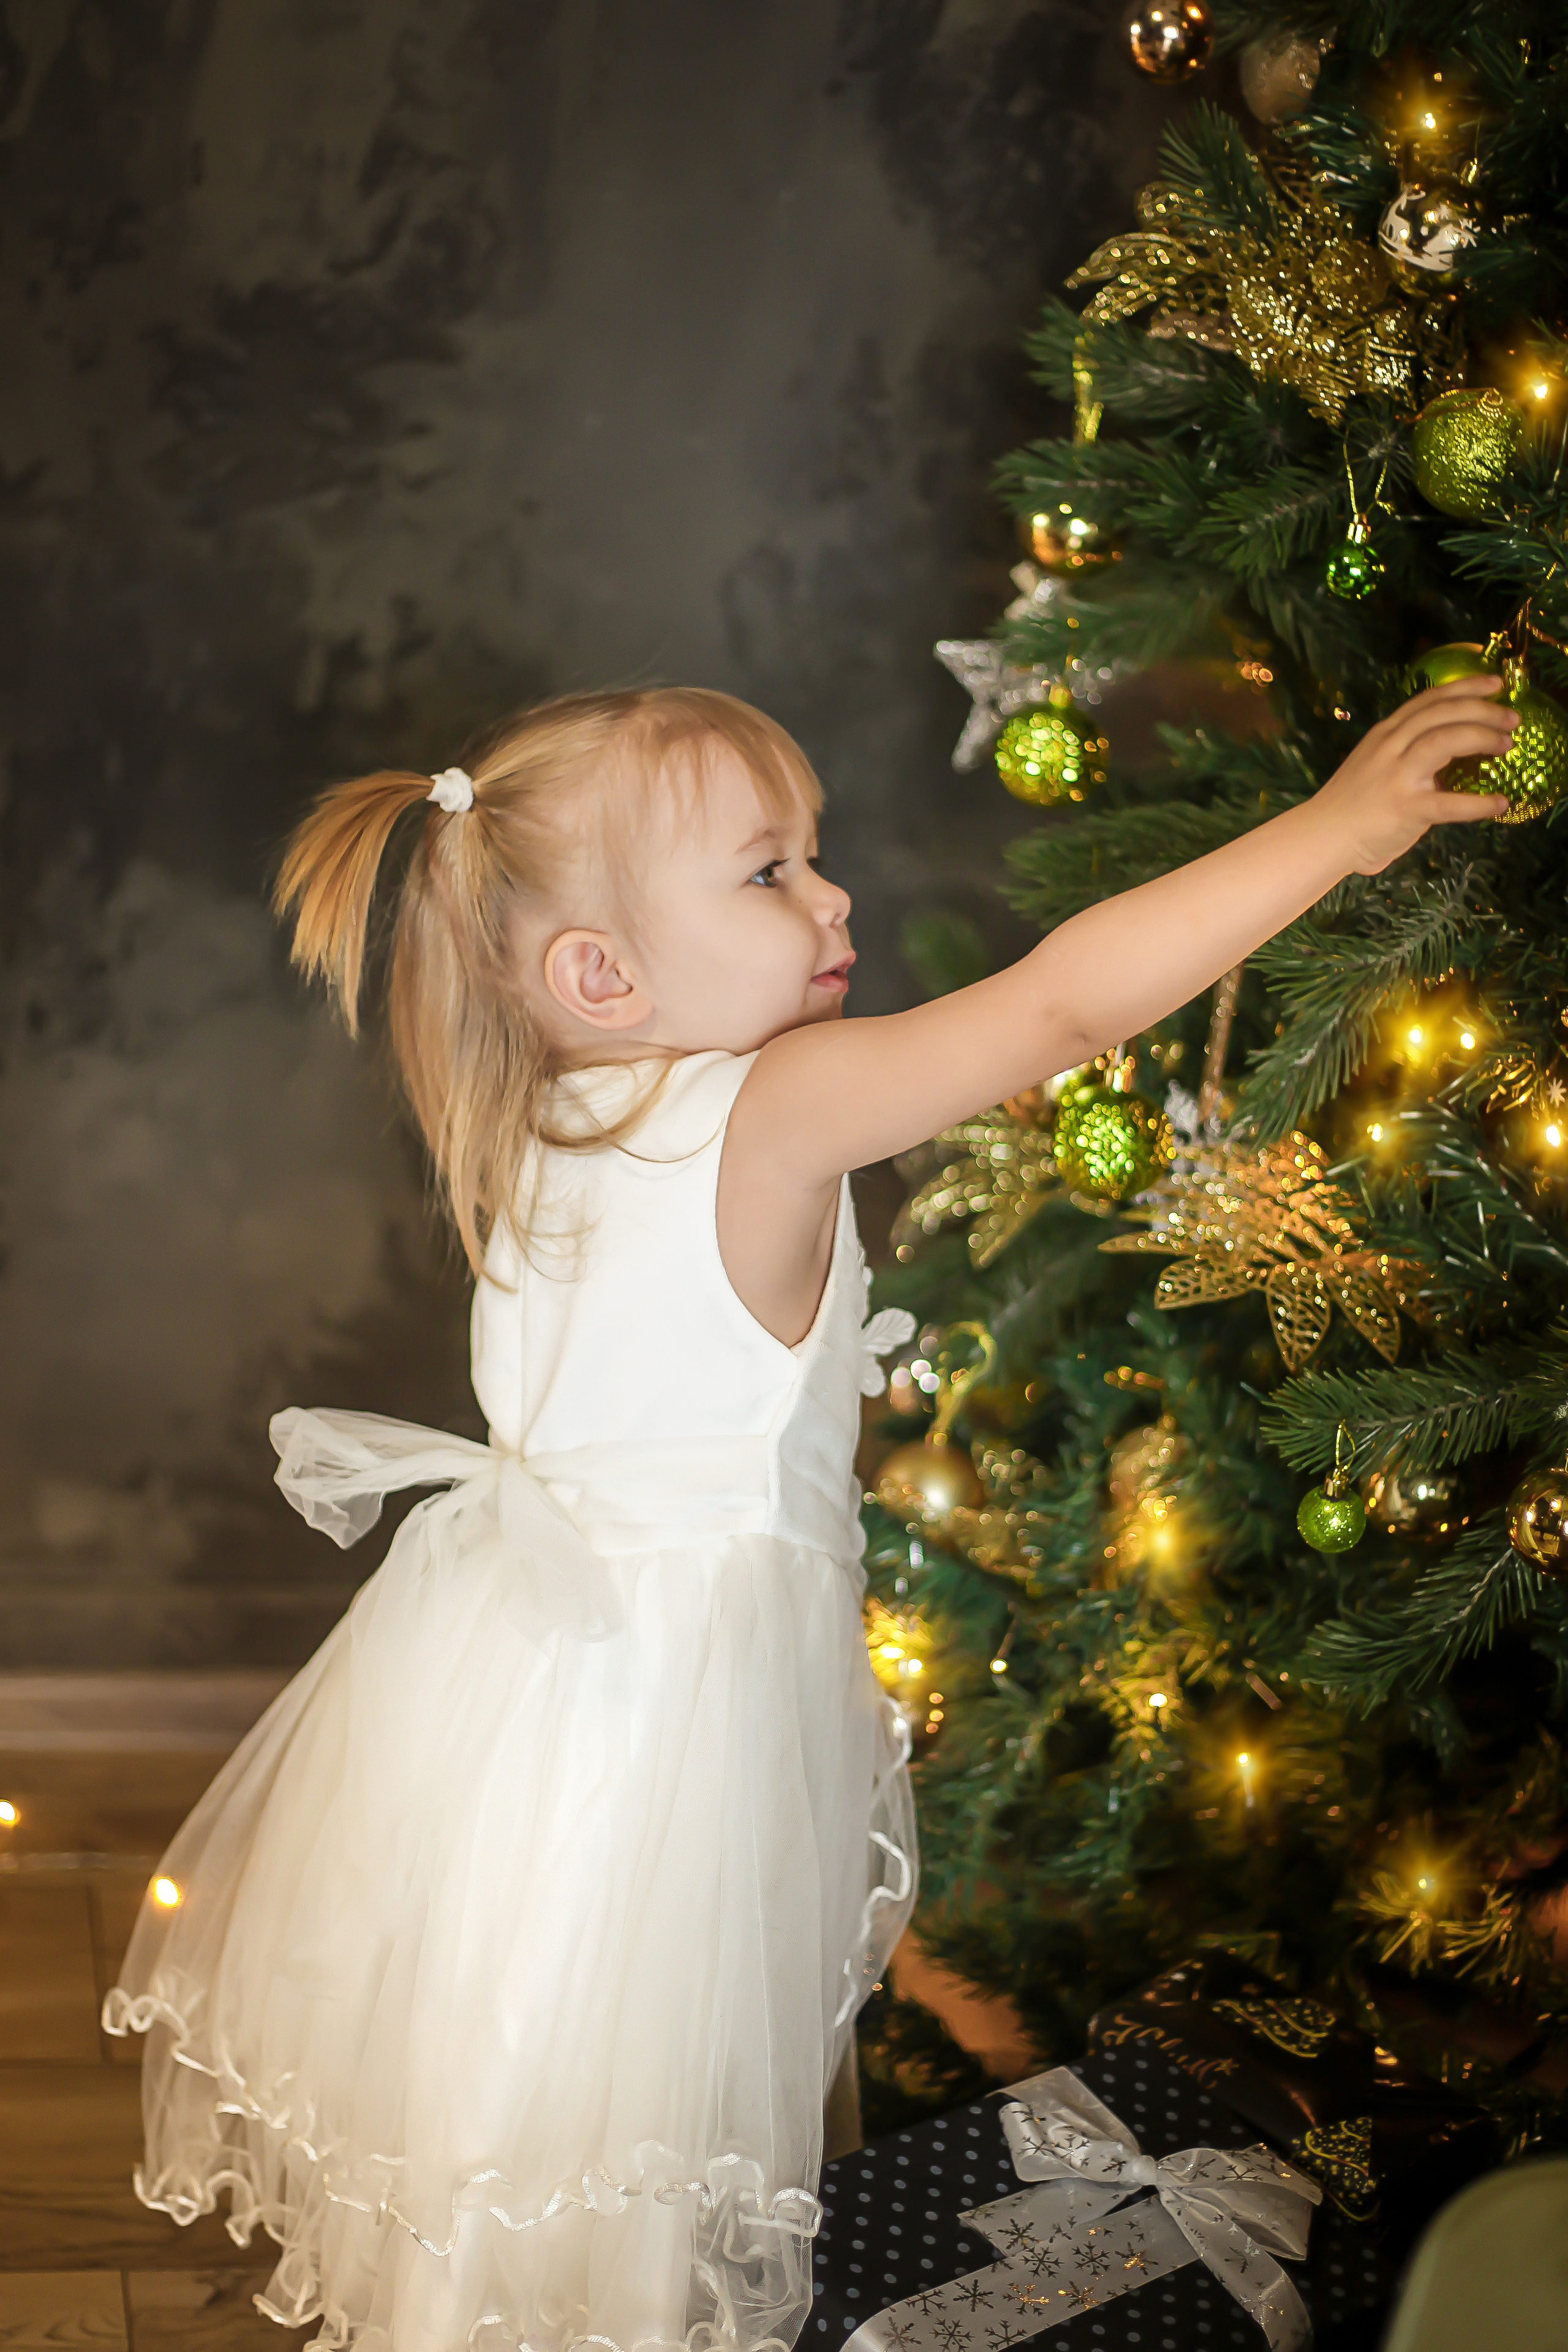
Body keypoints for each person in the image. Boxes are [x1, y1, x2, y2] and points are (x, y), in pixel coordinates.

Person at [100, 674, 1517, 2352]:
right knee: (662, 2104)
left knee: (524, 2079)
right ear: (600, 974)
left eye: (813, 857)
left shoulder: (553, 1116)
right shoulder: (766, 1112)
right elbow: (1063, 1011)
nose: (833, 898)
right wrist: (1334, 832)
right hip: (671, 1724)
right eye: (768, 873)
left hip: (525, 1696)